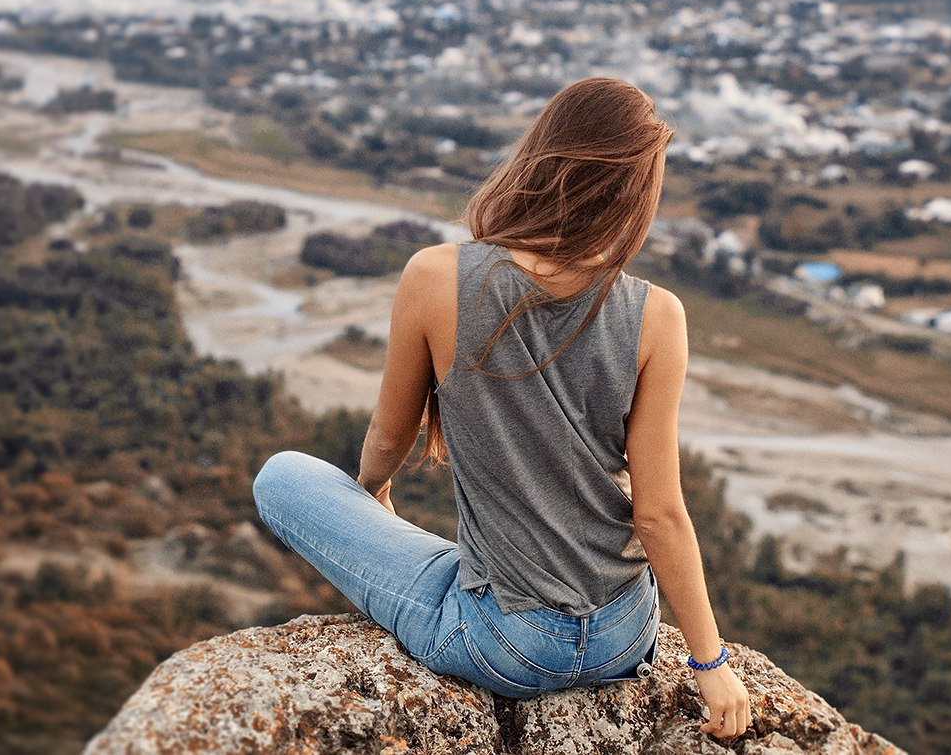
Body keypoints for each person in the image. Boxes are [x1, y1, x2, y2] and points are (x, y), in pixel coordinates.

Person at [253, 76, 750, 739]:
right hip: (623, 636)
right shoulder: (659, 315)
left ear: (542, 157)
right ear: (634, 192)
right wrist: (709, 660)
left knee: (282, 476)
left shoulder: (436, 276)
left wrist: (370, 494)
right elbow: (659, 513)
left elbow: (389, 433)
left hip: (508, 643)